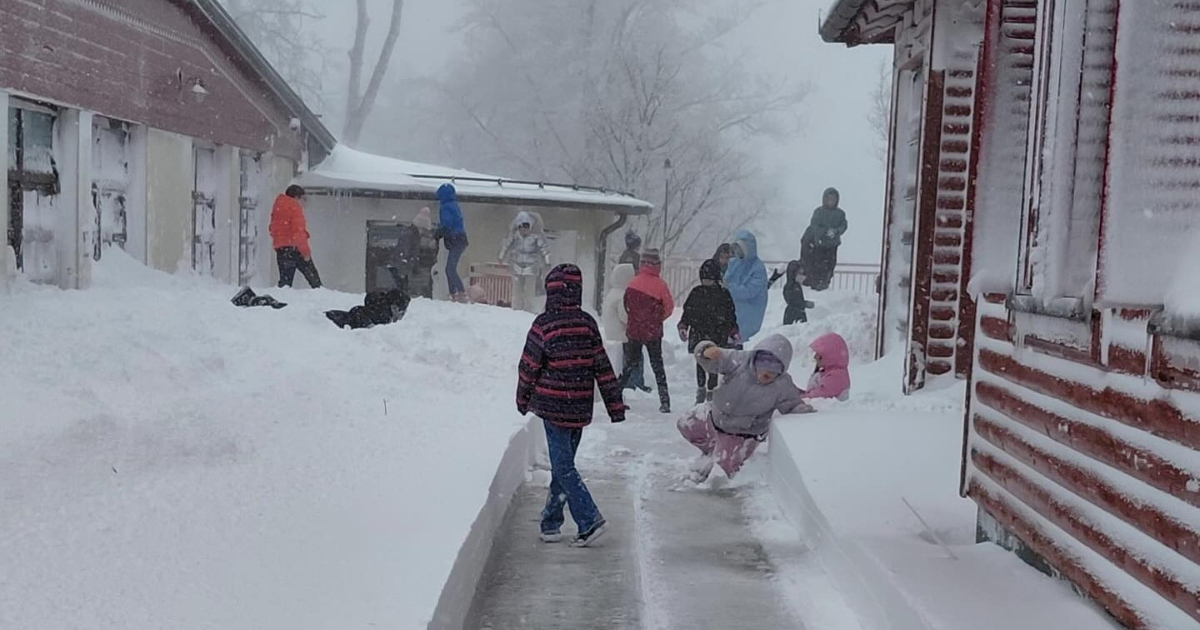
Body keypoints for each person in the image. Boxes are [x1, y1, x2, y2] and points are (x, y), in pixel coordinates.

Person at [517, 264, 625, 547]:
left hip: (553, 407)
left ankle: (589, 520)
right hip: (578, 408)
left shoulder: (544, 324)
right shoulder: (587, 323)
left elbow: (528, 365)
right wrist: (614, 404)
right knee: (563, 466)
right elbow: (602, 367)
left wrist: (522, 397)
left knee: (563, 467)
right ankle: (551, 523)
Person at [679, 334, 813, 482]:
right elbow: (715, 358)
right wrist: (706, 350)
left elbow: (791, 403)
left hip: (741, 433)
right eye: (763, 367)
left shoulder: (783, 385)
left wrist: (800, 409)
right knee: (685, 424)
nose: (766, 373)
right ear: (755, 360)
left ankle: (730, 452)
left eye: (773, 371)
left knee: (722, 473)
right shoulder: (739, 361)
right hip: (714, 417)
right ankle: (712, 448)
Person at [677, 260, 738, 404]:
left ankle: (711, 390)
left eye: (709, 280)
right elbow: (688, 312)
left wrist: (733, 331)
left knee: (714, 363)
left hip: (715, 333)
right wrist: (683, 325)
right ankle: (701, 389)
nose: (706, 283)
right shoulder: (697, 293)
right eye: (704, 280)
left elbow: (730, 315)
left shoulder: (723, 294)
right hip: (703, 333)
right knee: (701, 362)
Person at [622, 248, 674, 413]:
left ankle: (614, 396)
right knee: (657, 365)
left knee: (629, 364)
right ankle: (665, 401)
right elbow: (669, 307)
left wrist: (637, 319)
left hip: (635, 330)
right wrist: (656, 319)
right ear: (657, 265)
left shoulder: (632, 282)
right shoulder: (661, 285)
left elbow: (626, 306)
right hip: (653, 332)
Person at [602, 263, 649, 392]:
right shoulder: (623, 295)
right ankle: (634, 383)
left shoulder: (612, 293)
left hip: (612, 333)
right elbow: (625, 317)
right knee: (636, 356)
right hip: (622, 334)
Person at [269, 185, 322, 288]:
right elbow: (298, 232)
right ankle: (321, 298)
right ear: (297, 197)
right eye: (303, 199)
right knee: (314, 280)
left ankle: (284, 301)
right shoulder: (294, 207)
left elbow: (272, 228)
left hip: (281, 249)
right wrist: (305, 252)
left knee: (285, 283)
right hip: (294, 249)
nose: (304, 202)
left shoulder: (278, 207)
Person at [499, 210, 551, 312]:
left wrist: (547, 261)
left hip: (531, 266)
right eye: (521, 227)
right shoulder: (514, 235)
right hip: (516, 264)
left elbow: (544, 248)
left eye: (526, 226)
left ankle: (528, 309)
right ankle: (516, 308)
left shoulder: (536, 236)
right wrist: (501, 256)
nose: (524, 230)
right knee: (516, 289)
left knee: (529, 289)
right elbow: (506, 245)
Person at [724, 229, 768, 344]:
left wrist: (729, 288)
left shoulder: (758, 268)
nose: (738, 251)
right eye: (736, 247)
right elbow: (726, 280)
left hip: (749, 313)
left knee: (741, 342)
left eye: (740, 247)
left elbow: (750, 291)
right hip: (731, 311)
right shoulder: (734, 263)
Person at [800, 188, 848, 291]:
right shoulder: (818, 212)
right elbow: (814, 225)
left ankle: (825, 284)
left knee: (829, 267)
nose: (831, 201)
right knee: (817, 266)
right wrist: (825, 232)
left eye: (833, 199)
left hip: (832, 245)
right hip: (819, 245)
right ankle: (815, 285)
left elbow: (844, 225)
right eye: (829, 199)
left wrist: (836, 231)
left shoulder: (840, 214)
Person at [437, 183, 469, 302]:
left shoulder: (445, 207)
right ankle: (454, 293)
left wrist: (439, 232)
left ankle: (459, 293)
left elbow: (447, 223)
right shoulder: (454, 205)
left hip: (456, 239)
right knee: (449, 268)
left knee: (450, 268)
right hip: (460, 239)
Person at [805, 332, 851, 400]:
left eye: (818, 354)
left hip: (832, 410)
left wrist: (799, 398)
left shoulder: (836, 377)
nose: (815, 357)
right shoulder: (829, 372)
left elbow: (817, 396)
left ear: (830, 356)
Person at [412, 207, 440, 299]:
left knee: (419, 286)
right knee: (423, 286)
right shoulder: (428, 238)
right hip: (425, 265)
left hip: (421, 265)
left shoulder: (416, 236)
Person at [782, 260, 815, 325]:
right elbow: (793, 302)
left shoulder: (796, 285)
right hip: (792, 315)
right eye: (800, 273)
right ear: (793, 273)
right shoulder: (790, 286)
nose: (803, 276)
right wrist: (805, 304)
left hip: (798, 312)